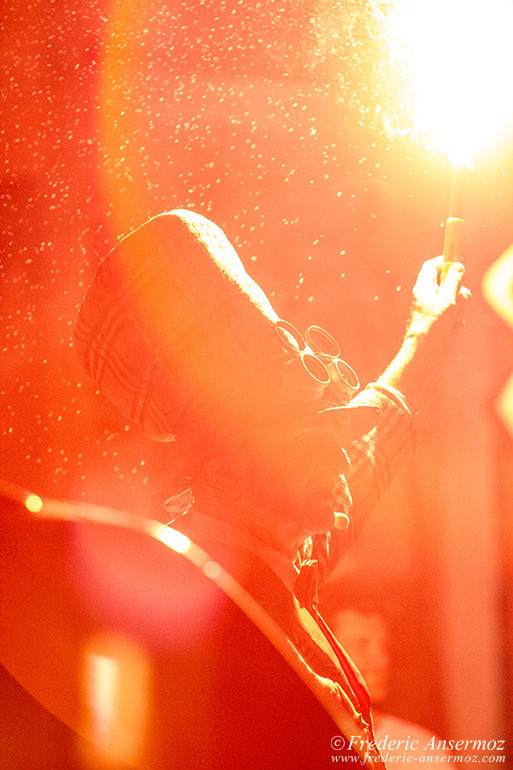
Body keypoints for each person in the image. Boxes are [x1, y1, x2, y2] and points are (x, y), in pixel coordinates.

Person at [73, 208, 469, 768]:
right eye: (307, 439)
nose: (338, 451)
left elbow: (364, 448)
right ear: (224, 474)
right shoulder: (222, 634)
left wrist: (423, 337)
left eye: (333, 425)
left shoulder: (274, 559)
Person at [328, 601, 456, 767]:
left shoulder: (416, 751)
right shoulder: (299, 742)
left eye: (383, 646)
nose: (383, 661)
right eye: (362, 645)